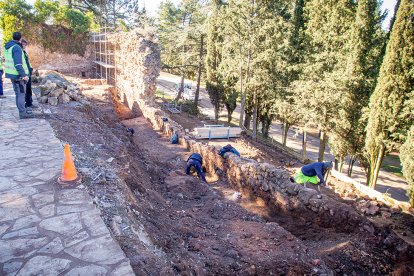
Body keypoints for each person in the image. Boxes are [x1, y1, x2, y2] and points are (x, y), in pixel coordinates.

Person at [4, 32, 32, 119]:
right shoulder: (16, 48)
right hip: (18, 75)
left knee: (18, 94)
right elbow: (18, 64)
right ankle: (22, 113)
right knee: (21, 94)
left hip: (11, 74)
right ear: (20, 39)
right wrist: (24, 75)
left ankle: (22, 111)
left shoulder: (8, 46)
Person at [21, 39, 37, 111]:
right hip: (24, 74)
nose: (24, 46)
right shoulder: (20, 52)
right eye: (23, 44)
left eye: (25, 45)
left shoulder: (24, 52)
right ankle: (26, 105)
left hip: (28, 73)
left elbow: (27, 63)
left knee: (29, 89)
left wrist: (30, 69)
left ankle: (29, 103)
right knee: (25, 90)